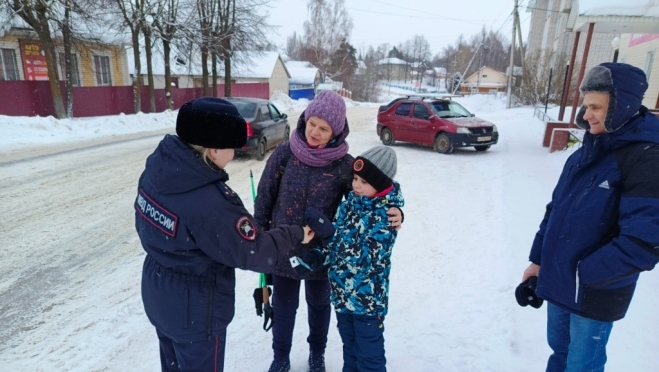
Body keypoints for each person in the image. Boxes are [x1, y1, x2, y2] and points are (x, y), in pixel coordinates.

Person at [134, 97, 314, 372]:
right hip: (194, 309)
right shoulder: (212, 204)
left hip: (160, 294)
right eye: (233, 147)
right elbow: (252, 251)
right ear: (214, 150)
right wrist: (295, 234)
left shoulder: (158, 170)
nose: (235, 153)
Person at [521, 62, 659, 372]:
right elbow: (555, 209)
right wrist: (538, 261)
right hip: (560, 282)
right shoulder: (586, 151)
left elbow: (645, 240)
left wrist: (587, 273)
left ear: (622, 105)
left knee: (582, 365)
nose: (586, 115)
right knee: (560, 355)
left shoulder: (647, 157)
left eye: (596, 106)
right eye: (586, 105)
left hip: (596, 291)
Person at [254, 91, 403, 372]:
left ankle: (316, 354)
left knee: (319, 306)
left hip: (324, 252)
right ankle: (280, 357)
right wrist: (260, 239)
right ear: (306, 119)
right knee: (284, 308)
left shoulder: (344, 165)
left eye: (324, 129)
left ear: (335, 132)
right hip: (283, 246)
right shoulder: (284, 154)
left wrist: (396, 209)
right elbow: (265, 198)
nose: (315, 132)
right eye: (313, 124)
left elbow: (372, 194)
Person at [291, 146, 404, 372]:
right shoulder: (348, 206)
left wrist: (329, 234)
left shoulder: (386, 215)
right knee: (350, 350)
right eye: (354, 178)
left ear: (381, 185)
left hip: (367, 302)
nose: (356, 185)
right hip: (343, 297)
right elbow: (336, 248)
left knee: (369, 357)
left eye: (363, 181)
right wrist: (315, 257)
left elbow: (365, 258)